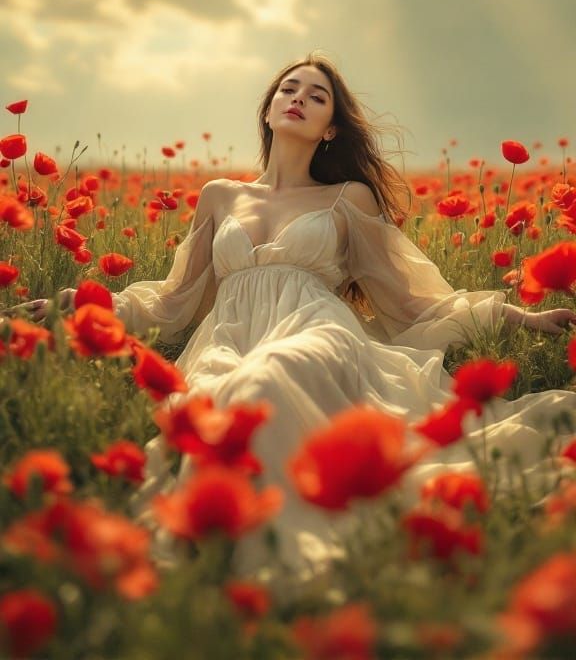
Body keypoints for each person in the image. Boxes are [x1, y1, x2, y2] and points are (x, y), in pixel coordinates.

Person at [20, 52, 576, 587]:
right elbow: (173, 300)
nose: (298, 99)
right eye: (288, 89)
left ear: (330, 129)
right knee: (229, 396)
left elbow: (412, 303)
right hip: (229, 341)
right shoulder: (219, 197)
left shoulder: (347, 198)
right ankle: (237, 537)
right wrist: (82, 305)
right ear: (267, 109)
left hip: (318, 330)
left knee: (267, 376)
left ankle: (283, 555)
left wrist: (518, 317)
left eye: (317, 96)